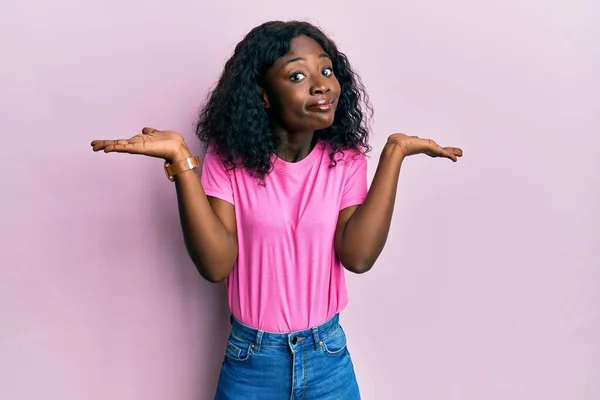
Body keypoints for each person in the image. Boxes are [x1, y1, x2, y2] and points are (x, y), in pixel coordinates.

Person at [91, 20, 462, 400]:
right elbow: (216, 265)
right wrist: (181, 161)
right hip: (252, 360)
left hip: (327, 357)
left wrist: (394, 154)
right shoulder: (229, 160)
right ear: (263, 95)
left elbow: (358, 256)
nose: (322, 84)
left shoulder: (345, 159)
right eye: (297, 75)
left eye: (326, 69)